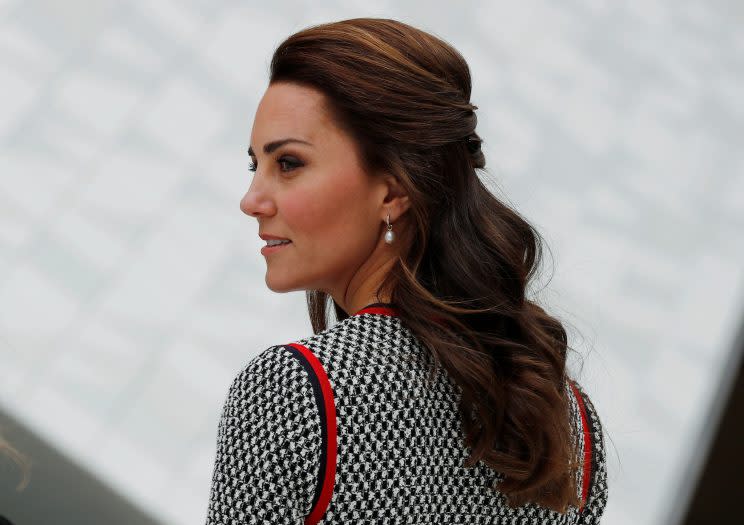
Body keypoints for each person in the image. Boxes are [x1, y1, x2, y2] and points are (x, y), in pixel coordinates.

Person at [204, 17, 608, 525]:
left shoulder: (295, 392)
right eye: (253, 166)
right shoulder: (566, 420)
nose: (252, 200)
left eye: (288, 163)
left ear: (393, 191)